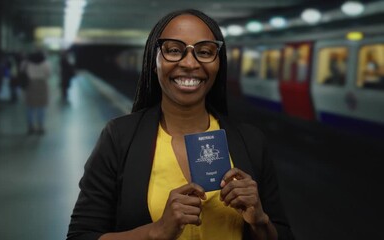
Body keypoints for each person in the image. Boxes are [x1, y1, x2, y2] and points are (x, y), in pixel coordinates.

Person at [67, 9, 294, 240]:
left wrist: (260, 222)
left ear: (219, 62)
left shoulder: (251, 141)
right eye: (174, 50)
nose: (189, 63)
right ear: (153, 59)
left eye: (205, 52)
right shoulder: (119, 138)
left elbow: (282, 234)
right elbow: (81, 236)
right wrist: (155, 232)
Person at [20, 50, 51, 135]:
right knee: (41, 106)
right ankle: (40, 126)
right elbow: (48, 74)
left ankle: (30, 126)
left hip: (30, 85)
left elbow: (22, 72)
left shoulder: (25, 63)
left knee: (30, 106)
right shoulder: (45, 63)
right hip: (42, 85)